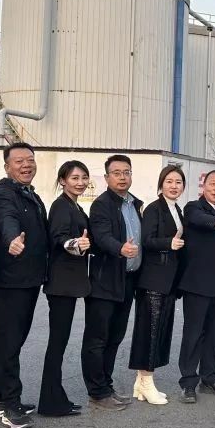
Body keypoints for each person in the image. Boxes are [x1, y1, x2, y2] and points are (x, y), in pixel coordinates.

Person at [0, 142, 49, 428]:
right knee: (10, 341)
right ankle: (10, 405)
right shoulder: (3, 193)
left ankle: (0, 399)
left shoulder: (29, 193)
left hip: (28, 278)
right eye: (19, 161)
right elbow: (6, 218)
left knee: (12, 340)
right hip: (11, 279)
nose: (26, 165)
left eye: (30, 160)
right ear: (7, 167)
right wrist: (12, 239)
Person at [87, 154, 143, 411]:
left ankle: (106, 386)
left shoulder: (134, 204)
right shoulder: (101, 205)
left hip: (128, 280)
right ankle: (97, 392)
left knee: (115, 337)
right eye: (117, 173)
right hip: (105, 281)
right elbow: (101, 236)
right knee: (98, 339)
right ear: (107, 177)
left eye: (126, 172)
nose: (122, 177)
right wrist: (120, 248)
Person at [177, 170, 215, 403]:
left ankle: (210, 377)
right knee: (193, 334)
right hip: (197, 285)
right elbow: (198, 219)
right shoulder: (194, 208)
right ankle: (188, 382)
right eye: (212, 183)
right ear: (203, 186)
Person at [130, 164, 187, 405]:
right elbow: (146, 240)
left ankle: (140, 382)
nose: (174, 186)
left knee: (159, 331)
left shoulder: (177, 209)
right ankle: (147, 381)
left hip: (168, 280)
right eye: (169, 181)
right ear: (161, 184)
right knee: (150, 333)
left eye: (178, 182)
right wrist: (168, 243)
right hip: (153, 279)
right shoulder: (154, 209)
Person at [38, 160, 91, 417]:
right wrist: (76, 244)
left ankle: (55, 397)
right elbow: (58, 238)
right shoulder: (61, 206)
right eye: (74, 178)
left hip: (68, 284)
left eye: (83, 178)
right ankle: (50, 402)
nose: (80, 183)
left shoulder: (74, 205)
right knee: (57, 344)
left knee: (59, 343)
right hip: (61, 285)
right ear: (62, 181)